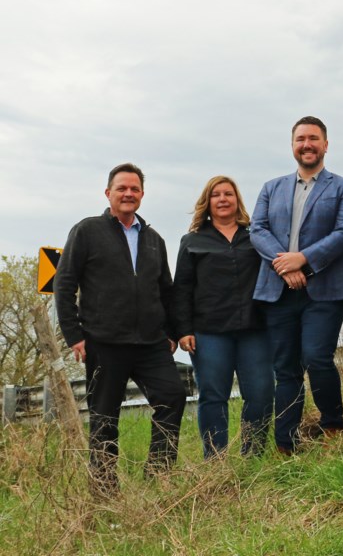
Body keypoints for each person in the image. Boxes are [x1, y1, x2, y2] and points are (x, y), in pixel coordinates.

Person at [54, 163, 186, 494]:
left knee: (172, 397)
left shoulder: (154, 239)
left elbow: (166, 290)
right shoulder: (87, 231)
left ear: (142, 194)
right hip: (103, 342)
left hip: (151, 343)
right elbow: (65, 283)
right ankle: (104, 491)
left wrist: (172, 331)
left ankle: (158, 475)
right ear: (108, 193)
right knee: (104, 418)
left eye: (135, 189)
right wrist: (75, 335)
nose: (128, 194)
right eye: (122, 188)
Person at [251, 115, 343, 455]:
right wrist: (285, 265)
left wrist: (304, 260)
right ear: (293, 145)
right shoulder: (271, 188)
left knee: (316, 357)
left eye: (313, 138)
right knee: (285, 367)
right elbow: (257, 230)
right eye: (301, 139)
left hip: (325, 289)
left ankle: (333, 424)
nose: (307, 144)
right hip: (278, 289)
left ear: (325, 145)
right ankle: (286, 443)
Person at [171, 176, 274, 458]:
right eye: (216, 195)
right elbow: (181, 288)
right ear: (208, 202)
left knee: (262, 394)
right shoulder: (192, 241)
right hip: (209, 332)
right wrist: (183, 330)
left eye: (228, 194)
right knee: (213, 397)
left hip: (255, 329)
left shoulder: (255, 236)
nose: (223, 199)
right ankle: (215, 459)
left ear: (237, 200)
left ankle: (252, 455)